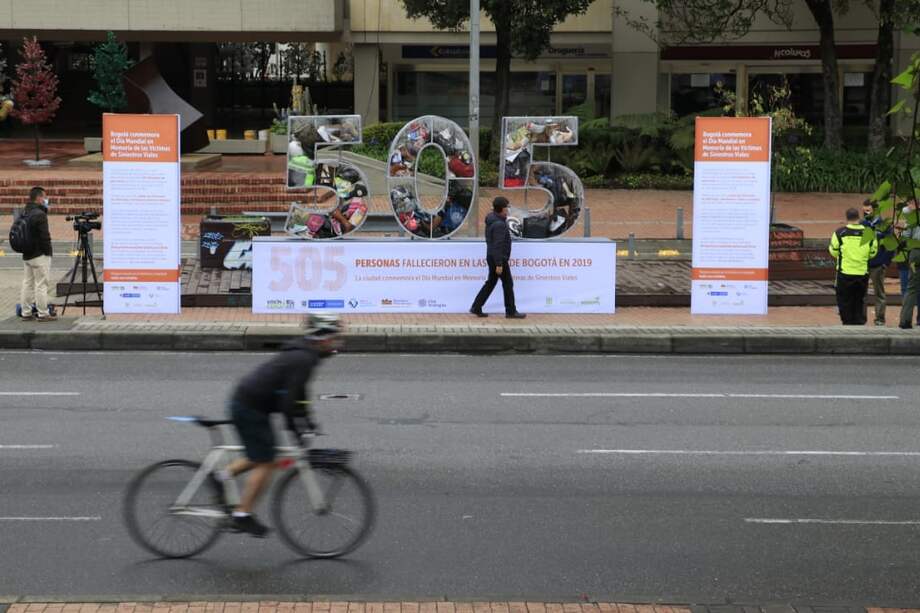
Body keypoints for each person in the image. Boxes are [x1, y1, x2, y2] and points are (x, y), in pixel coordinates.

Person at [217, 313, 343, 536]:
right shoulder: (304, 359)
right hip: (250, 406)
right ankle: (242, 515)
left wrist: (308, 421)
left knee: (263, 453)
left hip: (251, 402)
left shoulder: (305, 355)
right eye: (335, 337)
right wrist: (297, 432)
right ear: (323, 337)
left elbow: (299, 395)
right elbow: (288, 404)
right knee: (267, 461)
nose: (337, 342)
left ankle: (221, 476)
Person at [470, 197, 526, 319]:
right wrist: (499, 264)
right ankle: (511, 311)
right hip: (498, 258)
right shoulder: (499, 224)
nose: (508, 209)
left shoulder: (492, 219)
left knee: (491, 283)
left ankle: (476, 306)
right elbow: (498, 245)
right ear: (502, 209)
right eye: (507, 207)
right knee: (507, 284)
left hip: (492, 256)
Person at [829, 207, 877, 325]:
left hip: (845, 272)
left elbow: (833, 251)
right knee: (859, 299)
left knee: (844, 300)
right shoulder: (869, 233)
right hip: (862, 272)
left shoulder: (840, 232)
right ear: (858, 217)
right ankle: (859, 322)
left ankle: (847, 322)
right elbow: (873, 252)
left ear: (847, 218)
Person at [19, 186, 55, 321]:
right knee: (41, 285)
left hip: (27, 254)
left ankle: (26, 312)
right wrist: (48, 252)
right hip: (40, 254)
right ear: (39, 198)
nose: (46, 200)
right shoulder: (40, 215)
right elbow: (44, 236)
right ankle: (43, 313)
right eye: (44, 197)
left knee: (27, 284)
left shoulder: (25, 211)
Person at [861, 200, 894, 326]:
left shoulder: (884, 226)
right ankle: (861, 318)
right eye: (863, 210)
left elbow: (890, 246)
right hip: (863, 264)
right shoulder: (862, 224)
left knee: (879, 293)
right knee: (861, 292)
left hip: (878, 265)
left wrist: (885, 263)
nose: (865, 212)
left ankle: (880, 319)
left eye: (868, 210)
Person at [899, 201, 920, 329]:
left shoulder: (912, 215)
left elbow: (906, 236)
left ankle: (905, 321)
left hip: (916, 252)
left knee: (911, 288)